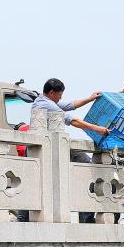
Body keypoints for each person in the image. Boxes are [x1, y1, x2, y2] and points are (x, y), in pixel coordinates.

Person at [32, 78, 109, 222]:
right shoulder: (48, 105)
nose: (61, 97)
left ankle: (85, 215)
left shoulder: (45, 101)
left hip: (52, 145)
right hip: (53, 146)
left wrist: (90, 98)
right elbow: (72, 121)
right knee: (85, 167)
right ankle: (86, 216)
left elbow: (70, 105)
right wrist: (97, 128)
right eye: (59, 94)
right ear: (51, 92)